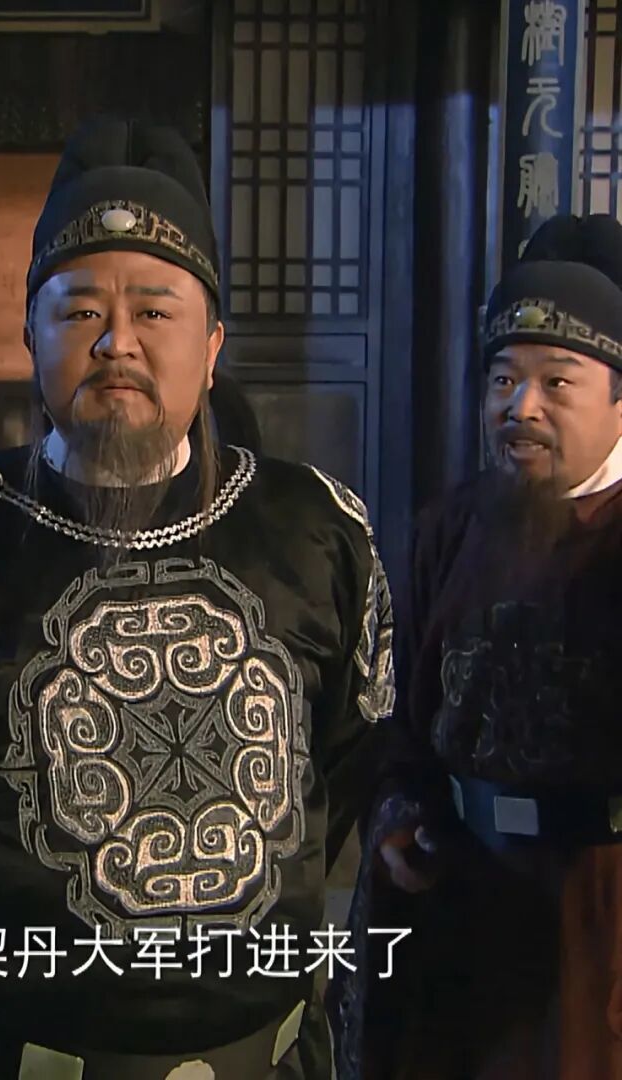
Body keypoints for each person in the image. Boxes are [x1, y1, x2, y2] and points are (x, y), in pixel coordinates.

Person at [0, 118, 393, 1080]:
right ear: (30, 336)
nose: (116, 343)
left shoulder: (321, 531)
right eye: (81, 310)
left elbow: (347, 776)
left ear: (213, 346)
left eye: (156, 312)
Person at [331, 214, 622, 1079]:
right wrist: (399, 815)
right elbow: (396, 716)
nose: (520, 407)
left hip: (598, 900)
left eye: (555, 382)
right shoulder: (449, 529)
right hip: (459, 882)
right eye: (503, 379)